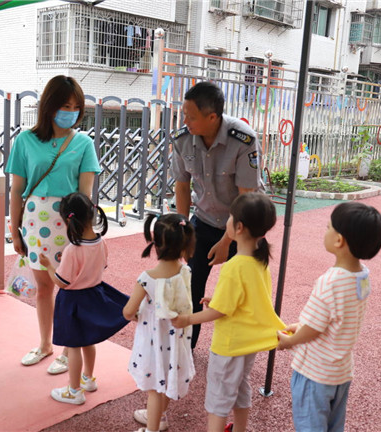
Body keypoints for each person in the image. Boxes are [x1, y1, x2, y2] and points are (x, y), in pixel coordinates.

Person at [5, 75, 101, 375]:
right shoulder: (25, 140)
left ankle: (68, 349)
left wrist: (84, 233)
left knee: (70, 290)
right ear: (49, 105)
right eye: (64, 105)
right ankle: (45, 344)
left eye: (75, 107)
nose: (70, 112)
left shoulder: (84, 143)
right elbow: (16, 190)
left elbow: (85, 195)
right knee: (44, 288)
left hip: (69, 224)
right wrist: (14, 230)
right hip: (34, 223)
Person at [172, 193, 286, 432]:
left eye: (230, 217)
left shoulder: (234, 266)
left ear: (239, 227)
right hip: (248, 344)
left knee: (218, 399)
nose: (227, 221)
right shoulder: (260, 261)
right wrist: (218, 300)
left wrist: (186, 319)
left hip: (229, 345)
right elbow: (246, 299)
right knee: (241, 389)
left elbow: (219, 312)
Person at [277, 202, 381, 432]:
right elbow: (337, 317)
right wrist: (301, 325)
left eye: (328, 227)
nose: (325, 231)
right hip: (340, 371)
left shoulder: (330, 282)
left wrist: (290, 341)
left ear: (339, 240)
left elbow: (314, 328)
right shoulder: (362, 277)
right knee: (334, 425)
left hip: (315, 372)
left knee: (310, 425)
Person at [171, 81, 263, 349]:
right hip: (204, 219)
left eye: (191, 116)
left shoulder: (243, 139)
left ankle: (237, 350)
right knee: (190, 286)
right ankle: (185, 349)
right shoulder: (183, 140)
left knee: (242, 291)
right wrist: (184, 229)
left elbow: (246, 197)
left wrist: (226, 241)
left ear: (212, 117)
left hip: (244, 225)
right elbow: (182, 186)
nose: (185, 121)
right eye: (183, 114)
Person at [39, 192, 129, 405]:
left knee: (74, 346)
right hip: (94, 296)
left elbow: (62, 282)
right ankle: (88, 378)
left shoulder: (72, 250)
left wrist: (49, 266)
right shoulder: (101, 242)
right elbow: (102, 266)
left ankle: (74, 391)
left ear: (68, 220)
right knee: (88, 341)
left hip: (73, 302)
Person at [123, 213, 196, 432]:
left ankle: (152, 428)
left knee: (155, 388)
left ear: (156, 244)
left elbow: (128, 311)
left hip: (153, 342)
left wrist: (136, 316)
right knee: (168, 376)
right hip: (176, 340)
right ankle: (160, 416)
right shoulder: (185, 271)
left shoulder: (147, 278)